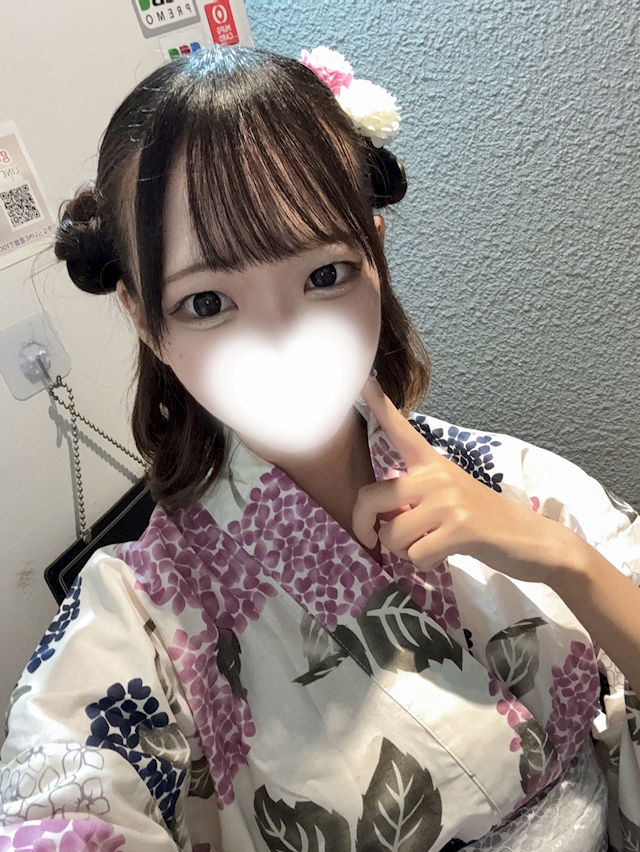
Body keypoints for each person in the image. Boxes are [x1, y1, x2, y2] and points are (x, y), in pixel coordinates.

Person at [1, 44, 639, 852]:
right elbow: (60, 807)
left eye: (326, 274)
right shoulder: (137, 616)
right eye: (208, 301)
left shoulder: (512, 483)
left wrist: (567, 562)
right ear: (143, 318)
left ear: (375, 251)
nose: (284, 342)